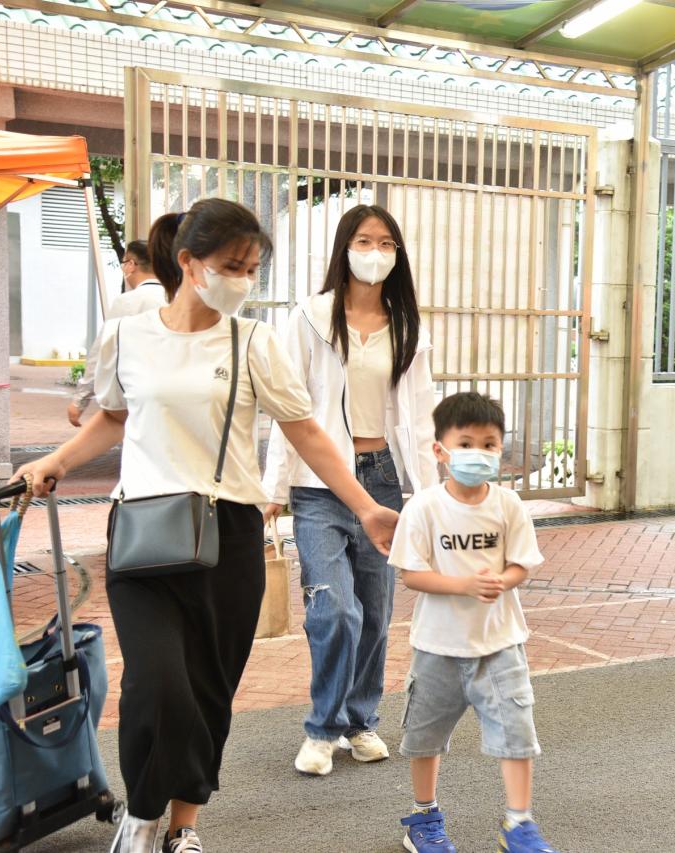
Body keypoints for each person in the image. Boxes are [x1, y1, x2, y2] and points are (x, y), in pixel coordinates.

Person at [13, 198, 399, 853]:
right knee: (157, 685)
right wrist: (57, 460)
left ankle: (183, 827)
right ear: (190, 262)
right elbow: (114, 416)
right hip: (143, 532)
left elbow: (306, 432)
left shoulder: (254, 342)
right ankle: (142, 813)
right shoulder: (128, 336)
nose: (242, 280)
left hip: (230, 535)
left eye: (251, 269)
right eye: (231, 266)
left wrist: (365, 506)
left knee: (208, 692)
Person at [261, 204, 438, 776]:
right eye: (364, 241)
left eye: (387, 243)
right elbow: (288, 407)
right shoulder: (310, 318)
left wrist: (430, 496)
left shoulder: (408, 326)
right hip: (318, 484)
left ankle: (359, 721)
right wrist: (273, 486)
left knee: (376, 611)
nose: (375, 253)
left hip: (382, 479)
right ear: (344, 248)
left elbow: (420, 417)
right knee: (334, 609)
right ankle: (322, 729)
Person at [388, 392, 560, 853]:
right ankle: (424, 817)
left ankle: (519, 825)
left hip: (500, 644)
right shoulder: (423, 507)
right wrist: (463, 585)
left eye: (488, 444)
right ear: (440, 450)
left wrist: (503, 581)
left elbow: (522, 564)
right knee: (424, 738)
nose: (477, 454)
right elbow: (411, 574)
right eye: (465, 443)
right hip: (437, 647)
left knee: (517, 733)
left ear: (501, 449)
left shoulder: (508, 505)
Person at [68, 240, 167, 427]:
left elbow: (102, 351)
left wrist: (80, 400)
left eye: (124, 262)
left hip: (136, 398)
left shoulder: (127, 302)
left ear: (131, 265)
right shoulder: (174, 297)